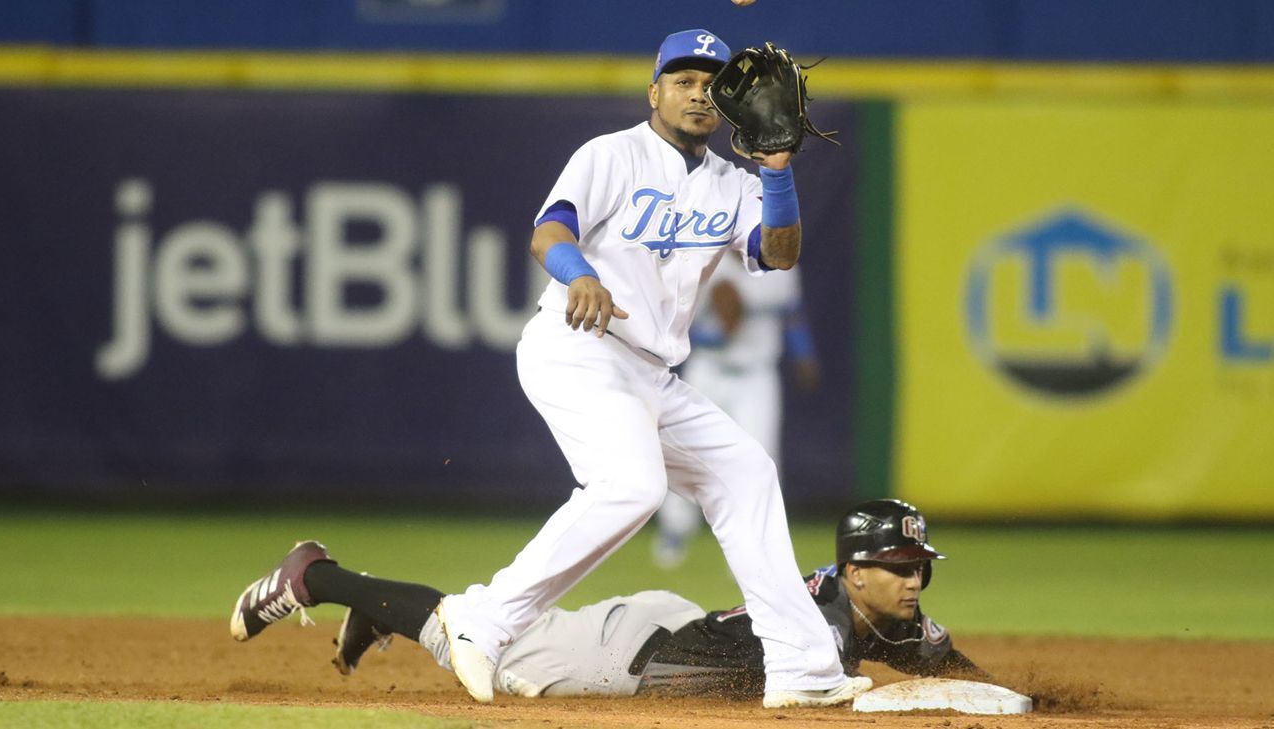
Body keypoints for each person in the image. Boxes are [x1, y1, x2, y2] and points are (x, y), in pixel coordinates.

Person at [230, 27, 867, 709]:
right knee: (630, 485)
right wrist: (581, 273)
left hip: (652, 371)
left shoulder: (732, 184)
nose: (696, 93)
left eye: (710, 84)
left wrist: (776, 168)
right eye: (681, 80)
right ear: (652, 91)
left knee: (744, 472)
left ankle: (802, 666)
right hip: (577, 346)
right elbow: (550, 228)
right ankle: (482, 618)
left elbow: (778, 253)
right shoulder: (612, 154)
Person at [230, 499, 983, 698]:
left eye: (919, 564)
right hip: (623, 656)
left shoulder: (878, 613)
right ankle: (314, 577)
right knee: (467, 641)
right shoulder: (820, 626)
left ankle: (382, 607)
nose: (913, 579)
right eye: (897, 564)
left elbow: (955, 673)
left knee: (466, 628)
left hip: (668, 622)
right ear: (855, 572)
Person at [654, 251, 820, 568]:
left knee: (761, 459)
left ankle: (758, 546)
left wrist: (804, 352)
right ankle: (675, 530)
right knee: (684, 450)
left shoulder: (781, 266)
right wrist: (716, 336)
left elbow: (793, 314)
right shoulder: (702, 262)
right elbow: (677, 328)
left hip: (757, 375)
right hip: (708, 372)